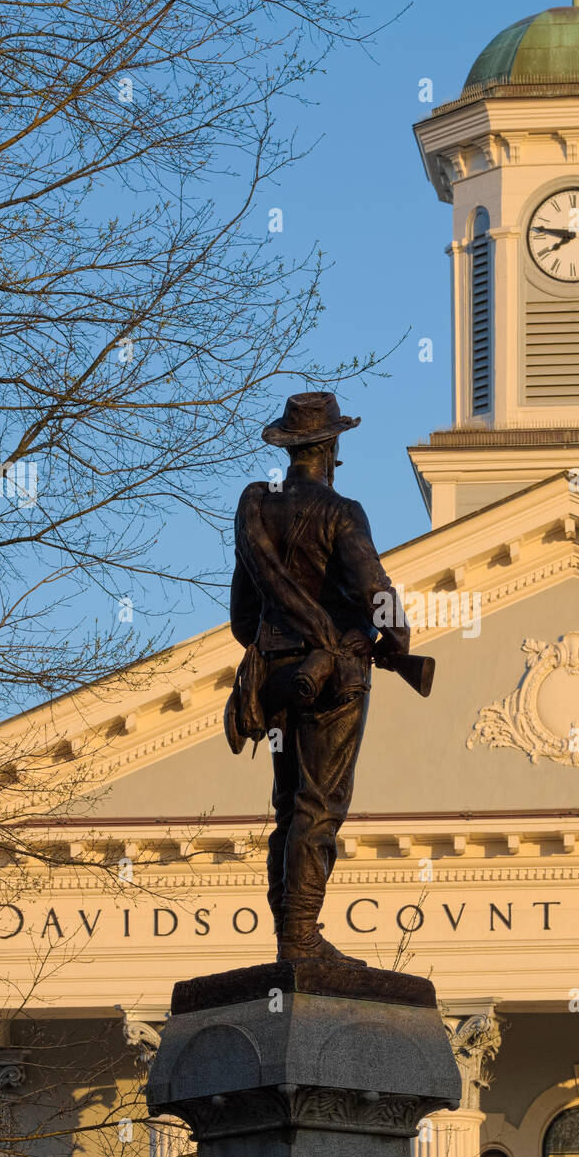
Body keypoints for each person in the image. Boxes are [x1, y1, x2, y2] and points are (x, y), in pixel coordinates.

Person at [229, 392, 410, 963]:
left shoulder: (258, 509)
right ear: (332, 447)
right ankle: (302, 936)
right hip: (334, 680)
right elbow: (375, 593)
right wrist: (397, 642)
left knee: (288, 807)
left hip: (275, 676)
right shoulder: (342, 512)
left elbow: (241, 616)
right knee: (319, 806)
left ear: (289, 446)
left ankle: (290, 936)